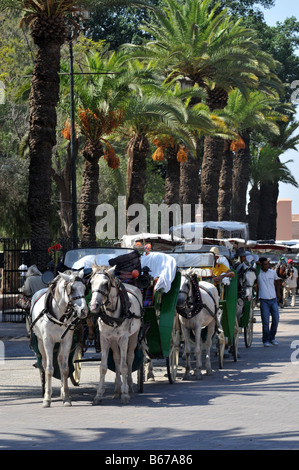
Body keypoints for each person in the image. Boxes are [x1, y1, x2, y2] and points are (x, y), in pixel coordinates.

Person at [257, 257, 281, 347]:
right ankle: (266, 340)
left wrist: (278, 293)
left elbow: (277, 281)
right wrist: (257, 265)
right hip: (264, 300)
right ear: (261, 265)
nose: (267, 266)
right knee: (265, 322)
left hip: (273, 299)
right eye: (265, 264)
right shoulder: (258, 273)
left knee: (276, 319)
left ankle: (272, 338)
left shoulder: (272, 272)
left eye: (267, 264)